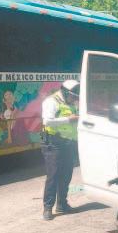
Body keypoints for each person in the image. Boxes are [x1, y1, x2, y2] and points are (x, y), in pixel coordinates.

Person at [41, 79, 79, 221]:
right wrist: (68, 119)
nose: (74, 99)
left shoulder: (71, 103)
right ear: (65, 92)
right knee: (54, 175)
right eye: (73, 96)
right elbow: (47, 121)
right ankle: (47, 208)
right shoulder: (51, 101)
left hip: (68, 143)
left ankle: (62, 204)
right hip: (53, 143)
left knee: (66, 174)